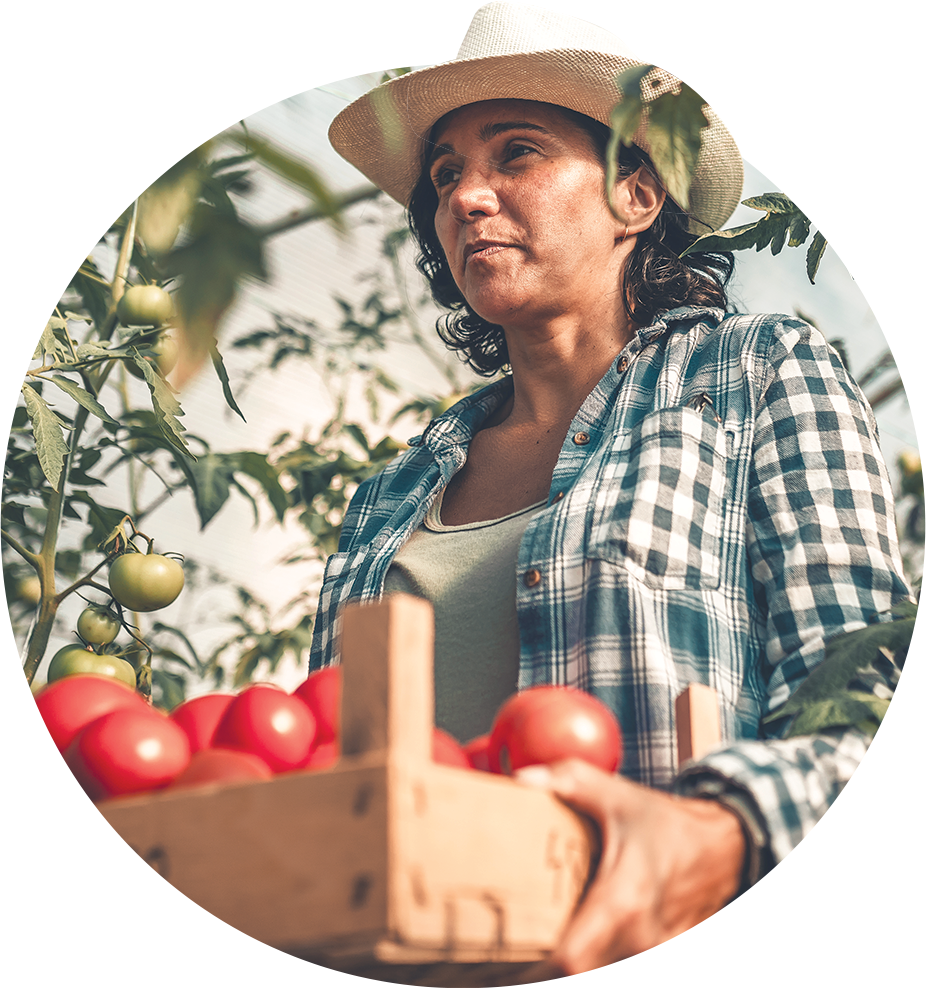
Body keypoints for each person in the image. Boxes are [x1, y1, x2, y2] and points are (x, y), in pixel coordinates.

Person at [310, 2, 912, 974]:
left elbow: (868, 709)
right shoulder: (391, 490)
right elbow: (324, 767)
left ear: (636, 196)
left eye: (515, 153)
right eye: (445, 172)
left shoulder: (752, 375)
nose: (467, 196)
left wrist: (718, 833)